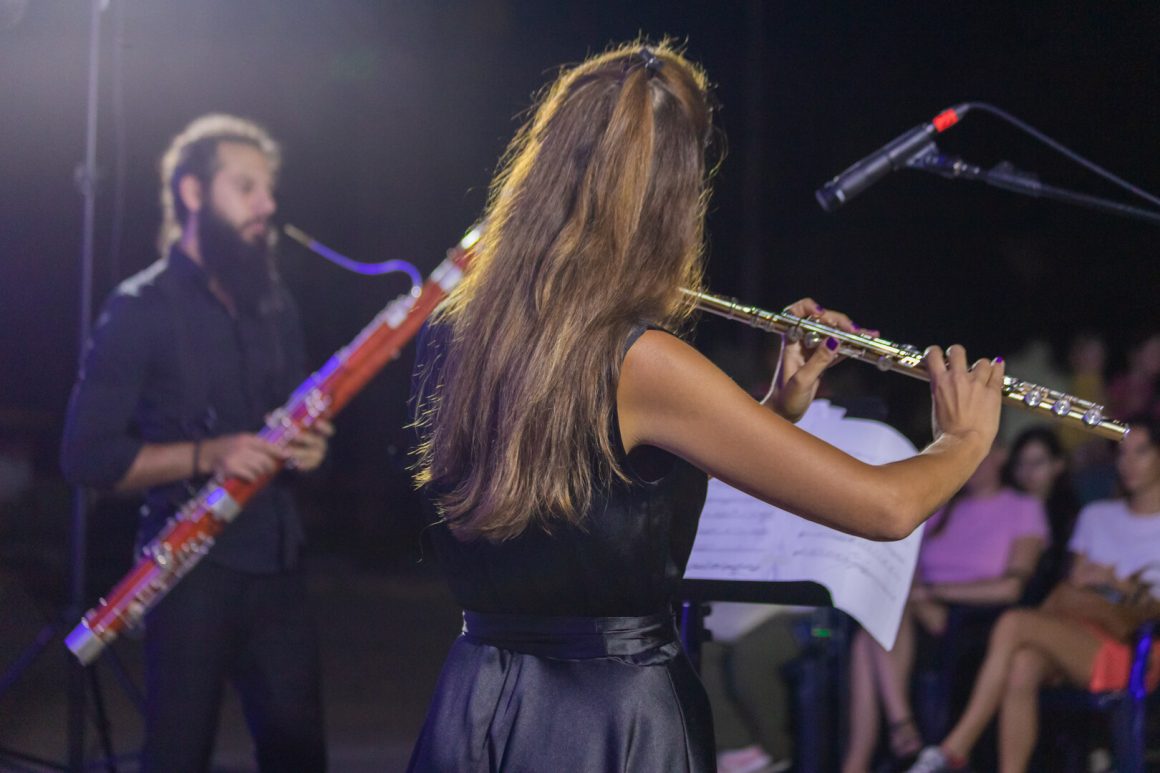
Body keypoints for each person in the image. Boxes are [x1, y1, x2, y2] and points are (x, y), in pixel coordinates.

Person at [407, 40, 1003, 772]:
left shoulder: (452, 331)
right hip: (610, 713)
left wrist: (776, 408)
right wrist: (962, 441)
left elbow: (595, 498)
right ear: (673, 195)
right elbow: (884, 508)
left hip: (481, 698)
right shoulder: (643, 360)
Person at [61, 114, 333, 772]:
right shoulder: (139, 308)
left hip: (277, 563)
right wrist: (210, 453)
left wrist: (312, 450)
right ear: (192, 193)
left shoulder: (276, 304)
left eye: (267, 189)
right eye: (246, 188)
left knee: (300, 755)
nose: (266, 205)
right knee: (177, 757)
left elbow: (300, 427)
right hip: (188, 574)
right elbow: (86, 456)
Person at [907, 416, 1160, 773]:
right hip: (1079, 631)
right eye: (1121, 453)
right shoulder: (1096, 515)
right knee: (1022, 663)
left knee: (1015, 623)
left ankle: (954, 748)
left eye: (1141, 452)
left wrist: (1116, 584)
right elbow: (1076, 584)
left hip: (1138, 647)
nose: (1128, 462)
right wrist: (1102, 582)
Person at [842, 443, 1048, 773]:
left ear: (999, 455)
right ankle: (898, 731)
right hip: (920, 612)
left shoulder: (1023, 508)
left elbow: (1011, 587)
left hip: (977, 618)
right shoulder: (940, 508)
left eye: (977, 451)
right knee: (872, 627)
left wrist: (933, 595)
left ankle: (879, 749)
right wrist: (921, 599)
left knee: (874, 631)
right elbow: (906, 567)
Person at [1003, 426, 1079, 601]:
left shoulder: (1071, 517)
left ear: (1058, 465)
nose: (1028, 472)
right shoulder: (1002, 508)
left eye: (1037, 463)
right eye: (1021, 463)